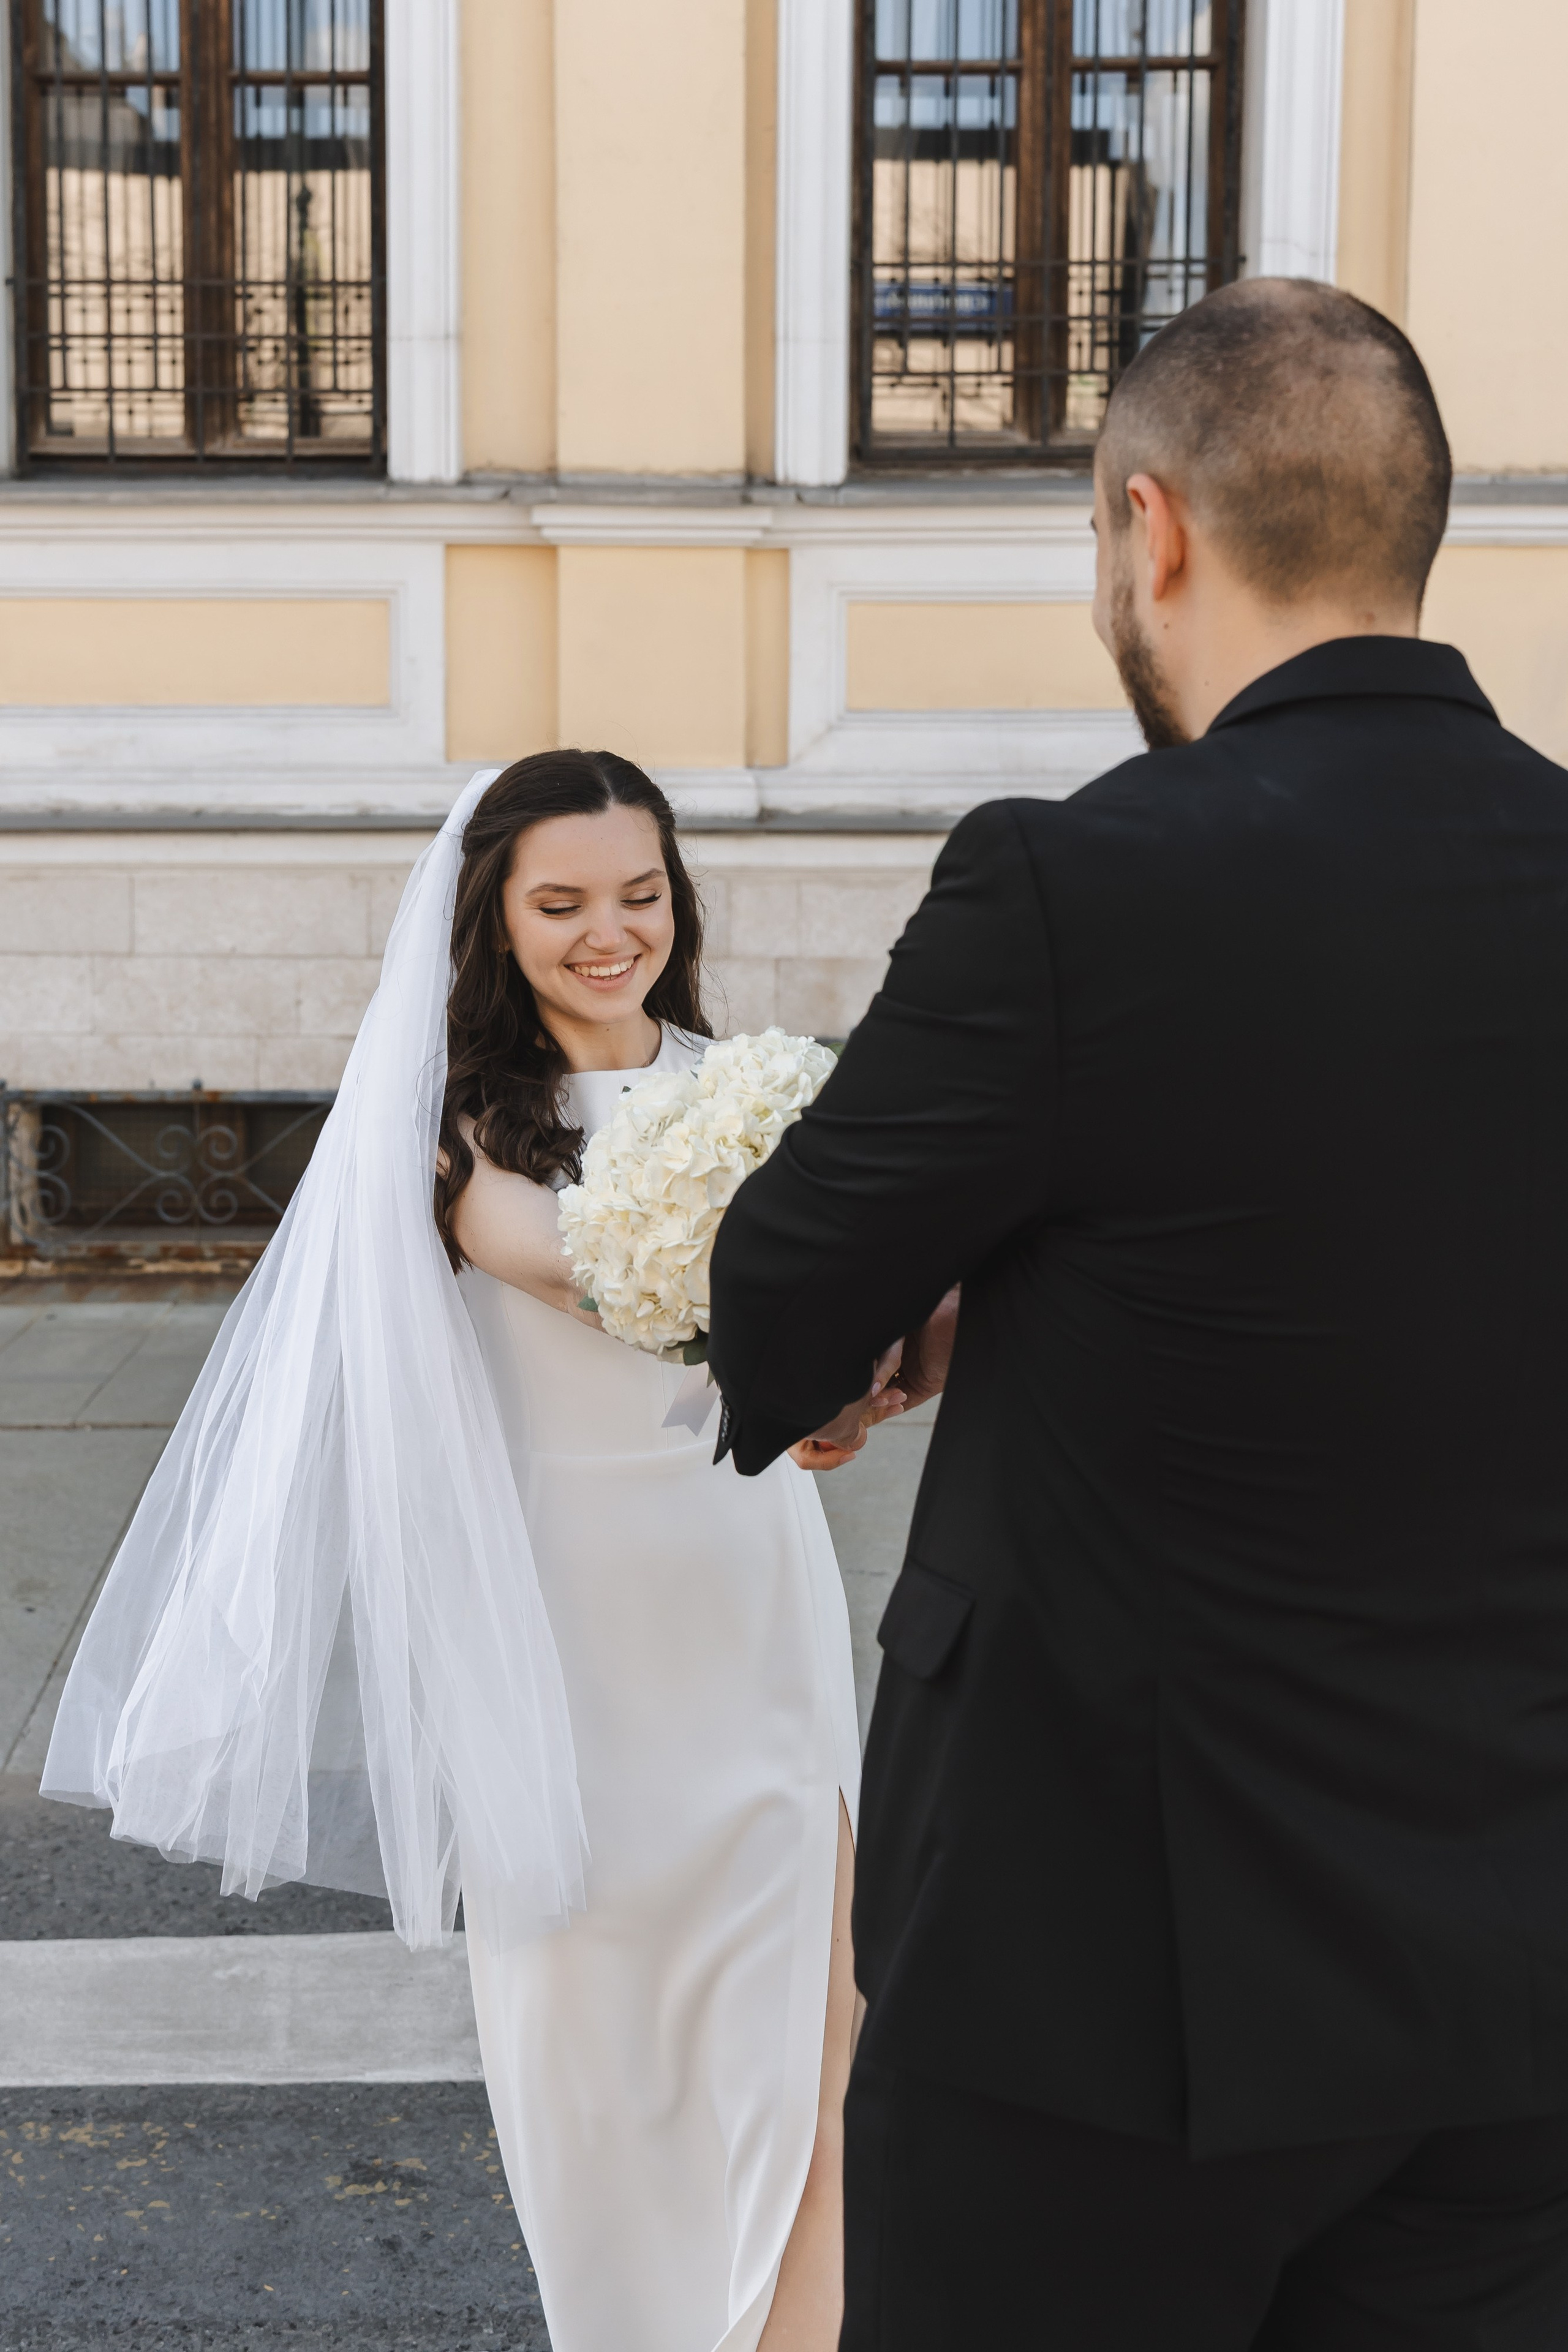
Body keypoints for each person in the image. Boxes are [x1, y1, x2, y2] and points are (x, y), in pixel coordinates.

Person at [706, 279, 1568, 2350]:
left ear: (1149, 529)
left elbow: (778, 1300)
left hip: (1100, 1985)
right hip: (1516, 1969)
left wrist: (941, 1291)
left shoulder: (1071, 888)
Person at [43, 750, 884, 2352]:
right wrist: (811, 1344)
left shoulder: (744, 1084)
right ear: (494, 920)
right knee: (606, 2058)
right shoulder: (451, 1138)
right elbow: (600, 1283)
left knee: (820, 2038)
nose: (607, 933)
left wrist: (870, 1365)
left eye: (639, 894)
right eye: (560, 903)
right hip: (566, 1647)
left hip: (752, 1611)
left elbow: (833, 1302)